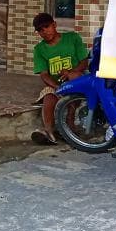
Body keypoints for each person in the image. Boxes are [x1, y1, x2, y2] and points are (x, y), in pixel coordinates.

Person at [31, 12, 89, 145]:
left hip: (77, 78)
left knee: (75, 79)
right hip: (58, 84)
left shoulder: (72, 38)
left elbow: (84, 62)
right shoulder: (39, 49)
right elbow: (44, 74)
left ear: (54, 25)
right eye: (40, 30)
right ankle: (48, 132)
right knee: (48, 95)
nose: (44, 31)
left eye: (46, 26)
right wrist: (57, 87)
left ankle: (69, 123)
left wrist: (71, 72)